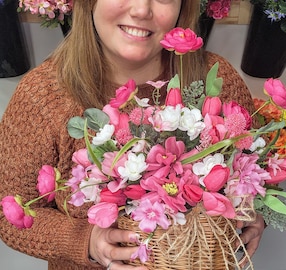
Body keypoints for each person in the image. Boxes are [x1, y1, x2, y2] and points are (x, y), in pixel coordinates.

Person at [0, 1, 265, 269]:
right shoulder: (43, 95)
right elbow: (6, 215)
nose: (141, 10)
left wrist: (256, 214)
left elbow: (258, 168)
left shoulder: (218, 80)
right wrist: (87, 241)